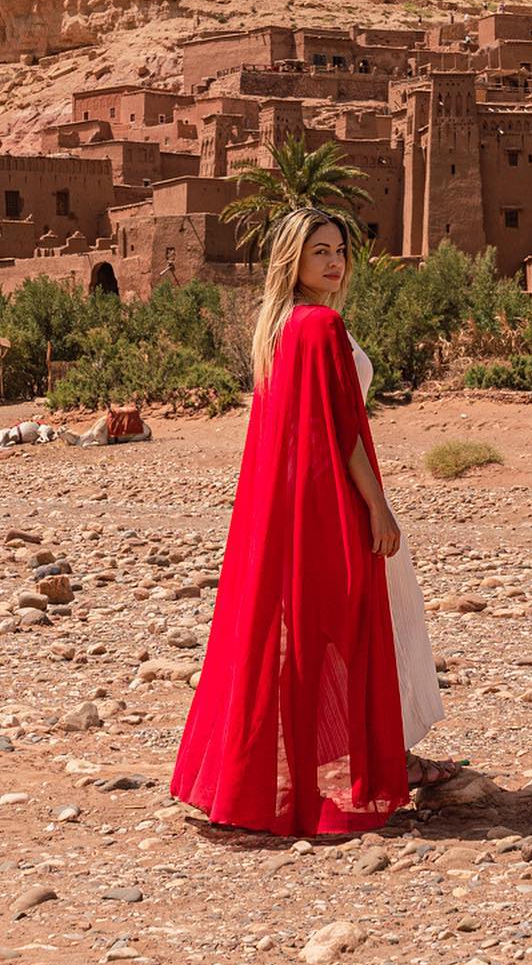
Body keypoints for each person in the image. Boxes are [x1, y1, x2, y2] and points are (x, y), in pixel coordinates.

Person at [170, 208, 454, 836]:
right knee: (352, 627)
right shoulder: (323, 324)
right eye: (319, 249)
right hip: (331, 505)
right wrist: (378, 506)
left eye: (341, 250)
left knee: (284, 636)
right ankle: (361, 774)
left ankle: (263, 783)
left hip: (283, 507)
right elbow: (345, 433)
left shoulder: (275, 326)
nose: (334, 261)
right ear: (291, 258)